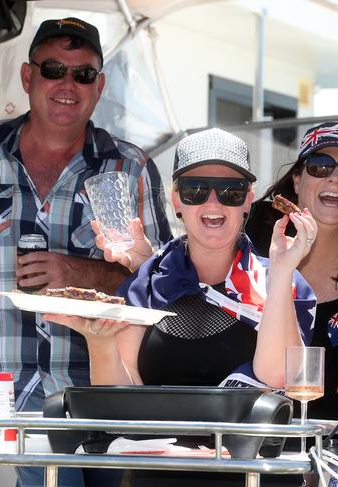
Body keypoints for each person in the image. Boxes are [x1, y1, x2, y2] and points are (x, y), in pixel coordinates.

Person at [46, 128, 317, 486]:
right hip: (158, 476)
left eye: (230, 191)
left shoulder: (283, 281)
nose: (213, 203)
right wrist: (99, 339)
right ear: (176, 200)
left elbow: (277, 378)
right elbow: (120, 404)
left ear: (248, 200)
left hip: (254, 477)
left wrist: (282, 271)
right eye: (195, 190)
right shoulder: (148, 281)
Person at [0, 17, 171, 487]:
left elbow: (160, 283)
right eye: (53, 69)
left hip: (105, 391)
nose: (67, 84)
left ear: (99, 86)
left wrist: (79, 271)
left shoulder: (129, 167)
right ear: (28, 77)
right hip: (1, 392)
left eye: (82, 74)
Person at [246, 121, 338, 422]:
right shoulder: (248, 234)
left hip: (319, 456)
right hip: (231, 445)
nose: (335, 178)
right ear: (297, 180)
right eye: (320, 166)